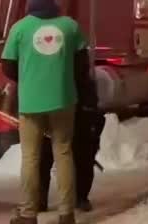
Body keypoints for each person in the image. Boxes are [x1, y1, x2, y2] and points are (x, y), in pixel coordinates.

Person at [2, 0, 88, 224]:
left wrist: (30, 77)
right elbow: (83, 66)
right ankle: (66, 214)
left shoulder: (19, 29)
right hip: (63, 99)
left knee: (30, 157)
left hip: (30, 102)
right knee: (63, 152)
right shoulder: (70, 26)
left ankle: (29, 214)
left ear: (30, 6)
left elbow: (7, 66)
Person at [38, 57, 105, 212]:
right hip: (66, 106)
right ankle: (74, 198)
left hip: (76, 107)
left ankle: (77, 197)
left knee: (79, 155)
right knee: (47, 157)